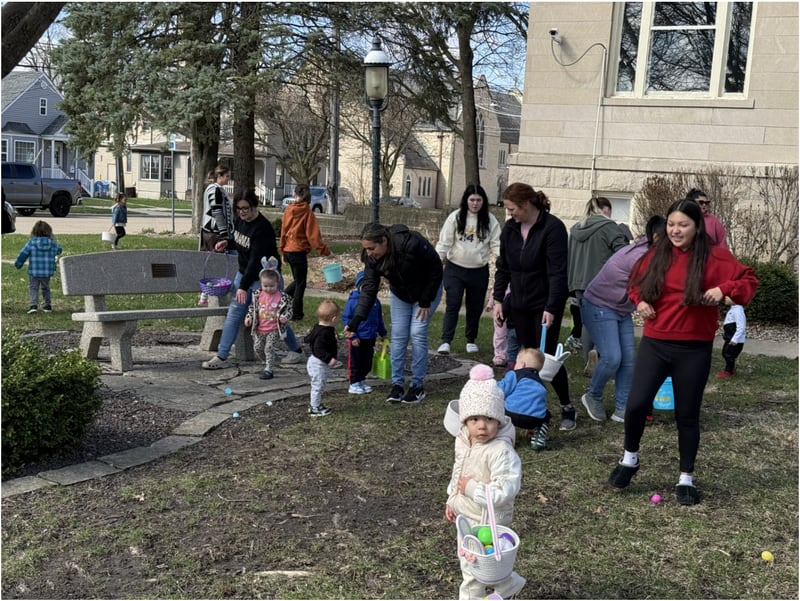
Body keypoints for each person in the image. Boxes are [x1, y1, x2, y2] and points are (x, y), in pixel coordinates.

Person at [608, 199, 758, 506]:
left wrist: (724, 289)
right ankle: (630, 458)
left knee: (687, 415)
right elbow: (634, 282)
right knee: (636, 405)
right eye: (672, 224)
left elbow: (749, 281)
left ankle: (685, 477)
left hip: (694, 348)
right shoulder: (657, 254)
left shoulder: (715, 257)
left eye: (683, 225)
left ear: (697, 227)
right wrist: (639, 302)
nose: (676, 230)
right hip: (656, 343)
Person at [492, 183, 576, 431]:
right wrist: (499, 300)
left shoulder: (553, 228)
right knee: (525, 357)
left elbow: (558, 273)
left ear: (526, 205)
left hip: (545, 303)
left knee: (546, 357)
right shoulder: (510, 229)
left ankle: (567, 407)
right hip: (519, 302)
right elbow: (503, 266)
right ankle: (528, 407)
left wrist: (551, 307)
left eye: (512, 209)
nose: (510, 214)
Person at [445, 363, 525, 600]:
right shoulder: (464, 441)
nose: (481, 426)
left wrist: (471, 489)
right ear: (465, 421)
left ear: (499, 419)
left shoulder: (501, 451)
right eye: (474, 419)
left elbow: (506, 489)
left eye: (489, 418)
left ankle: (500, 586)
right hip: (466, 515)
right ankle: (508, 585)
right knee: (469, 563)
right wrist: (453, 499)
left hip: (488, 519)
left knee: (477, 567)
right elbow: (458, 471)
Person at [202, 189, 303, 370]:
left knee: (273, 316)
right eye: (239, 209)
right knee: (234, 314)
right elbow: (242, 242)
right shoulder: (240, 220)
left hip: (264, 278)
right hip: (245, 274)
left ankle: (296, 349)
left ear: (254, 206)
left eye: (246, 208)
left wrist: (242, 287)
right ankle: (222, 356)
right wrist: (228, 242)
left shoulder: (262, 228)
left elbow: (255, 261)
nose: (242, 212)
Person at [344, 223, 443, 405]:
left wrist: (425, 300)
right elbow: (368, 292)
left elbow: (436, 268)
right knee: (398, 336)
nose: (368, 253)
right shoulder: (372, 259)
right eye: (365, 249)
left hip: (427, 292)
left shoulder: (411, 243)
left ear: (384, 241)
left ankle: (417, 386)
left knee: (417, 333)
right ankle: (397, 385)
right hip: (401, 293)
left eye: (372, 248)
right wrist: (355, 321)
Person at [579, 216, 666, 423]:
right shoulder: (640, 257)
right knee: (612, 357)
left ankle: (622, 407)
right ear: (655, 237)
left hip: (621, 309)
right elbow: (653, 290)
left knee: (628, 360)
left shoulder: (653, 251)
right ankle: (593, 395)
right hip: (599, 304)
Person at [435, 184, 501, 355]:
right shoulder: (455, 217)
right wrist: (434, 262)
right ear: (466, 200)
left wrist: (503, 261)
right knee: (453, 303)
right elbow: (445, 242)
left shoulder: (490, 220)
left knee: (475, 306)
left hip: (478, 270)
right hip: (455, 268)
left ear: (483, 201)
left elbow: (496, 244)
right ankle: (446, 340)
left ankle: (471, 339)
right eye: (472, 199)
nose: (475, 203)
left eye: (479, 200)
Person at [567, 196, 629, 375]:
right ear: (604, 210)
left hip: (579, 283)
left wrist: (570, 283)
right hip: (604, 282)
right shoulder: (609, 227)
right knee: (608, 319)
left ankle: (588, 358)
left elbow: (570, 256)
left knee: (587, 322)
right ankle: (600, 352)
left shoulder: (575, 229)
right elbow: (622, 252)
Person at [279, 183, 333, 321]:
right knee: (300, 284)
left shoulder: (288, 210)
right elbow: (313, 237)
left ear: (295, 194)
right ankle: (296, 312)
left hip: (289, 250)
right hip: (298, 251)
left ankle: (282, 300)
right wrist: (325, 252)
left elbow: (283, 231)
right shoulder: (307, 213)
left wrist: (283, 250)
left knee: (298, 281)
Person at [342, 271, 387, 395]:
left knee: (367, 361)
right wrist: (353, 335)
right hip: (357, 338)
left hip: (370, 336)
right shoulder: (353, 302)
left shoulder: (376, 302)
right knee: (356, 360)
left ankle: (361, 379)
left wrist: (383, 332)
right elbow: (347, 319)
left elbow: (379, 319)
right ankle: (354, 382)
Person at [244, 265, 292, 380]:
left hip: (274, 328)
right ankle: (268, 362)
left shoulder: (282, 297)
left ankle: (269, 369)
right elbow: (252, 308)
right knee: (258, 348)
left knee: (268, 348)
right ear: (260, 283)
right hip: (260, 329)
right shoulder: (258, 295)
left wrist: (285, 317)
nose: (268, 288)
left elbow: (289, 310)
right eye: (265, 286)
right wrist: (249, 317)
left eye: (272, 286)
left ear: (277, 283)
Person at [498, 347, 550, 450]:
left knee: (497, 405)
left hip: (510, 413)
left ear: (522, 364)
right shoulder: (541, 384)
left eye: (516, 363)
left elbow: (501, 389)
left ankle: (502, 436)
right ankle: (537, 439)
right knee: (546, 415)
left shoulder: (515, 375)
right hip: (533, 420)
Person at [199, 166, 235, 305]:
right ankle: (206, 295)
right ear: (219, 176)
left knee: (218, 262)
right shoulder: (214, 190)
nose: (229, 179)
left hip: (217, 232)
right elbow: (217, 212)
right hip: (215, 233)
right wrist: (224, 234)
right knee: (217, 263)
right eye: (227, 176)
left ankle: (208, 295)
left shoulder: (218, 190)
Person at [15, 220, 62, 313]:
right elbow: (59, 250)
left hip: (34, 271)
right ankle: (47, 305)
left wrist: (18, 264)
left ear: (34, 231)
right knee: (46, 287)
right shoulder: (52, 243)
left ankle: (33, 305)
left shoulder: (31, 243)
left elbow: (23, 253)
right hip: (47, 271)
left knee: (33, 287)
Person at [305, 299, 340, 417]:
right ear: (334, 319)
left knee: (320, 384)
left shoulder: (319, 328)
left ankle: (316, 404)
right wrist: (329, 358)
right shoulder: (324, 333)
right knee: (318, 385)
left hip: (315, 362)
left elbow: (308, 338)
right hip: (318, 363)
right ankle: (314, 407)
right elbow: (318, 349)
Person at [717, 296, 746, 378]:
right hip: (730, 337)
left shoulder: (738, 310)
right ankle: (731, 368)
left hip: (734, 340)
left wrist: (735, 339)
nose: (725, 298)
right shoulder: (734, 309)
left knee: (728, 354)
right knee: (726, 353)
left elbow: (741, 326)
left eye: (728, 297)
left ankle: (728, 371)